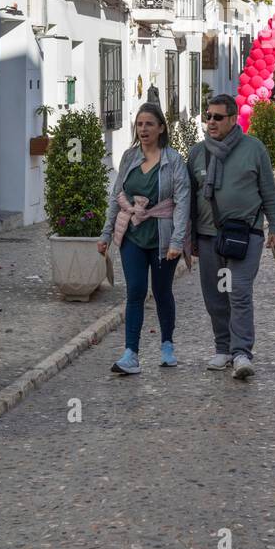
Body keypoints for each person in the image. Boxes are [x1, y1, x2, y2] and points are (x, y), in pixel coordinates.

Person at [188, 94, 275, 380]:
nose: (211, 122)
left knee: (238, 292)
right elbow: (189, 199)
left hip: (245, 235)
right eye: (208, 116)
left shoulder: (254, 149)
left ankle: (242, 353)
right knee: (215, 296)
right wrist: (187, 238)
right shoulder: (197, 153)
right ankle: (223, 348)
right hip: (208, 238)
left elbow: (268, 192)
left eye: (217, 117)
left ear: (232, 119)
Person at [98, 104, 190, 375]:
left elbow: (183, 201)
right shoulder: (129, 157)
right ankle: (131, 353)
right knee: (135, 291)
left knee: (162, 292)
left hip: (162, 236)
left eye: (149, 124)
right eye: (140, 125)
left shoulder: (173, 160)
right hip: (132, 236)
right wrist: (105, 234)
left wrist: (177, 240)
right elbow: (117, 197)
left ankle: (167, 346)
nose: (144, 129)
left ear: (161, 127)